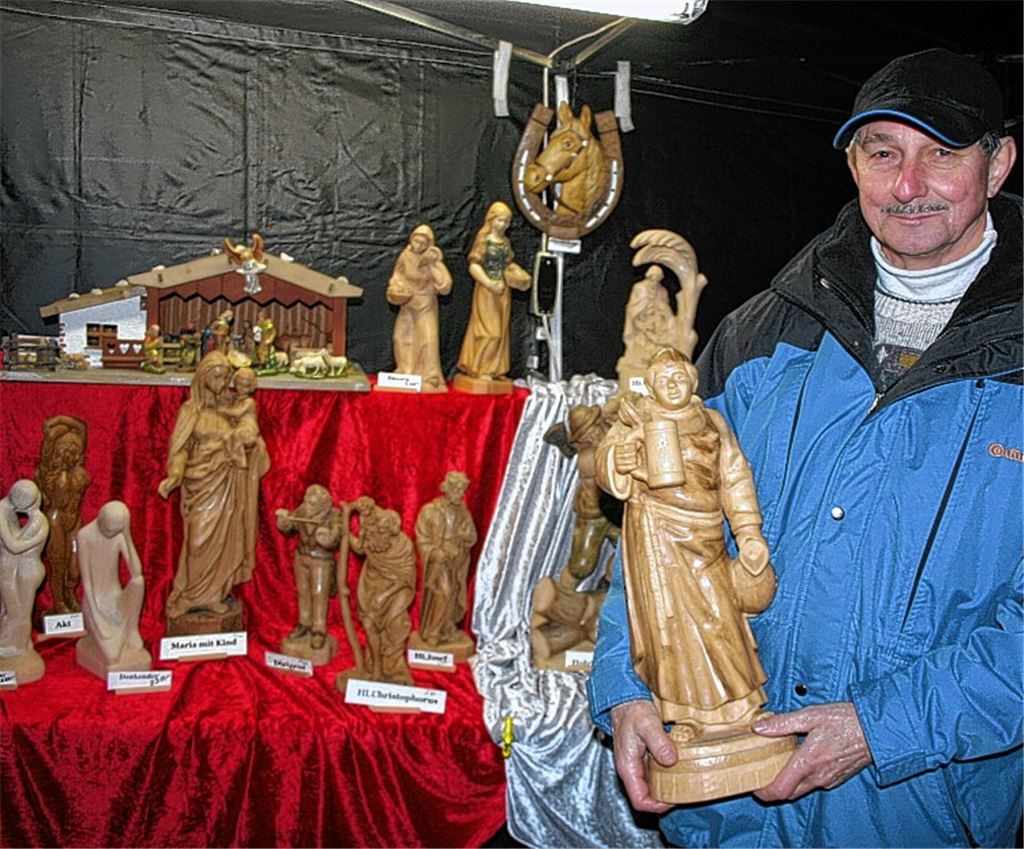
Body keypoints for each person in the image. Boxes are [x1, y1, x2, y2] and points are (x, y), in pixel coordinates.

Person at [588, 48, 1021, 848]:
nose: (908, 185)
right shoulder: (762, 334)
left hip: (912, 809)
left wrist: (881, 727)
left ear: (997, 165)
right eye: (883, 152)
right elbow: (659, 528)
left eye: (943, 153)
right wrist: (626, 678)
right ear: (853, 163)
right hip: (733, 814)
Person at [159, 351, 268, 621]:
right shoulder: (190, 411)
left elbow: (250, 430)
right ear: (204, 377)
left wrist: (246, 436)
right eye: (217, 377)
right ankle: (189, 596)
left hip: (228, 481)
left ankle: (213, 595)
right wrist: (174, 474)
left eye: (226, 377)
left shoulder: (232, 407)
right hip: (201, 482)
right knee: (198, 540)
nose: (223, 383)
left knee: (226, 540)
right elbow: (181, 449)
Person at [456, 201, 532, 383]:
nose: (503, 225)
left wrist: (519, 275)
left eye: (506, 221)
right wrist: (489, 283)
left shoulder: (505, 242)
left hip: (503, 291)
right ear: (491, 220)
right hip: (486, 291)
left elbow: (507, 264)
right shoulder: (484, 240)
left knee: (502, 331)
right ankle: (480, 367)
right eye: (500, 220)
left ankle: (494, 369)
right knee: (490, 332)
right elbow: (474, 266)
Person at [75, 501, 152, 678]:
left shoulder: (119, 534)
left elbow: (136, 571)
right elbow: (87, 583)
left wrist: (126, 534)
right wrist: (96, 615)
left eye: (116, 530)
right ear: (100, 519)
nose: (111, 534)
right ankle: (110, 634)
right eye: (108, 529)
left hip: (115, 598)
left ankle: (132, 629)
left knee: (138, 582)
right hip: (95, 601)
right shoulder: (85, 535)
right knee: (112, 657)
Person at [414, 471, 477, 650]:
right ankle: (433, 631)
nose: (460, 494)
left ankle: (445, 629)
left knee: (454, 593)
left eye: (462, 490)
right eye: (456, 489)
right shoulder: (430, 510)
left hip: (456, 560)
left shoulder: (463, 512)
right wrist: (435, 552)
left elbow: (471, 535)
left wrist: (465, 537)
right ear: (446, 489)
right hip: (439, 561)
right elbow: (422, 537)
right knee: (443, 592)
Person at [386, 224, 453, 391]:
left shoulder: (432, 260)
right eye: (417, 240)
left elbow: (445, 286)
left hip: (425, 304)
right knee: (401, 337)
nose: (419, 245)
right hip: (407, 303)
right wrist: (396, 286)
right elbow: (397, 276)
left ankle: (430, 377)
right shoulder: (405, 256)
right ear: (412, 238)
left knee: (428, 340)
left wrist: (433, 264)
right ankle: (405, 371)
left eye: (424, 243)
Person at [35, 415, 90, 614]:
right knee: (58, 564)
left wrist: (59, 419)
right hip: (56, 519)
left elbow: (81, 426)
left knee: (75, 567)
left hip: (74, 519)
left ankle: (70, 593)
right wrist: (51, 429)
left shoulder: (78, 468)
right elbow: (48, 444)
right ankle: (58, 602)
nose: (70, 453)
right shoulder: (51, 468)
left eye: (73, 449)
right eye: (65, 449)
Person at [276, 484, 340, 655]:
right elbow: (291, 528)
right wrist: (284, 522)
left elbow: (337, 537)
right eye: (306, 502)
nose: (308, 506)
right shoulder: (303, 510)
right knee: (303, 592)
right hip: (301, 556)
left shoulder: (333, 515)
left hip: (320, 560)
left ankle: (318, 630)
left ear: (323, 504)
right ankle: (304, 623)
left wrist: (327, 538)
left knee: (319, 595)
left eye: (312, 504)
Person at [0, 479, 49, 682]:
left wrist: (31, 538)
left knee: (19, 611)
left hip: (27, 570)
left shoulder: (39, 520)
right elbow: (13, 546)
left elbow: (15, 546)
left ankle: (17, 645)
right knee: (11, 609)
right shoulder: (4, 511)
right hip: (10, 569)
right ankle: (14, 644)